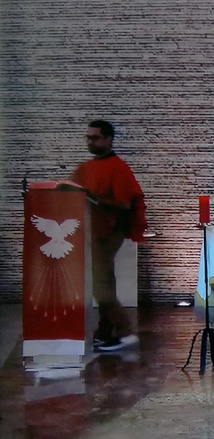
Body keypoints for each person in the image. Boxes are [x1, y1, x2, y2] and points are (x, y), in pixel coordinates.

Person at [71, 120, 147, 352]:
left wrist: (93, 199)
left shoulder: (117, 168)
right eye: (88, 137)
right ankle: (105, 332)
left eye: (95, 138)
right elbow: (68, 189)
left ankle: (124, 330)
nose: (90, 141)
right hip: (92, 231)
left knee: (100, 286)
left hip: (110, 231)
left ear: (108, 139)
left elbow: (125, 204)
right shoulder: (86, 168)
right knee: (103, 282)